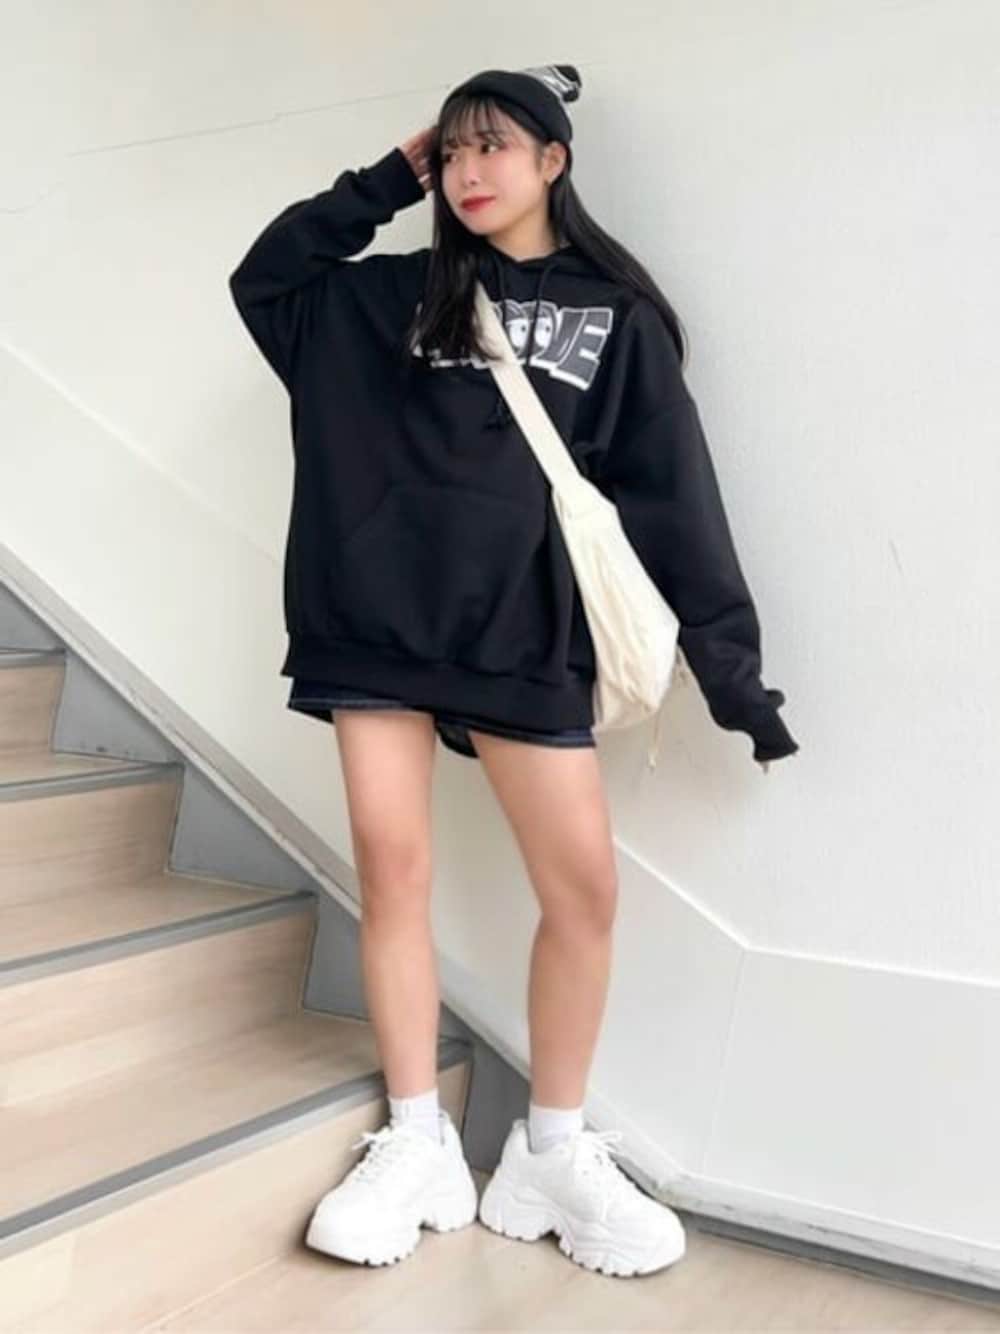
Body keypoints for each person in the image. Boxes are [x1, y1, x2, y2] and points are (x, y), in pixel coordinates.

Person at [228, 63, 799, 1279]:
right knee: (393, 869)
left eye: (495, 146)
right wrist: (387, 177)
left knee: (582, 888)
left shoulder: (613, 315)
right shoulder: (385, 298)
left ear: (553, 160)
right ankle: (417, 1137)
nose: (470, 171)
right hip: (374, 620)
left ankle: (548, 1151)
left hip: (524, 632)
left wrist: (733, 672)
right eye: (453, 150)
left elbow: (673, 498)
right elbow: (265, 275)